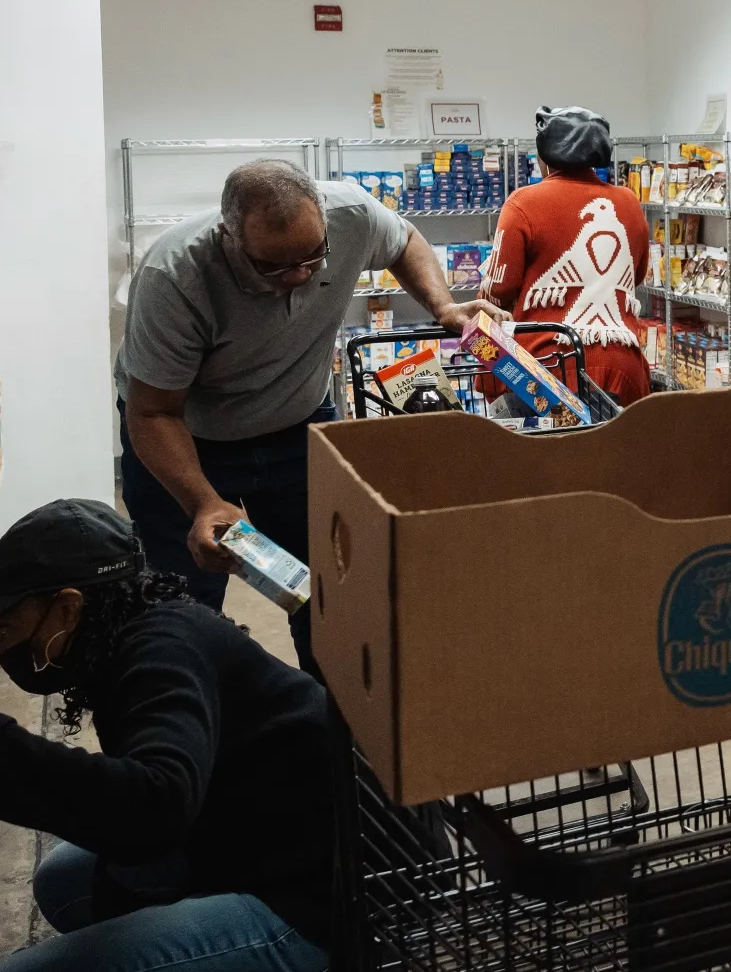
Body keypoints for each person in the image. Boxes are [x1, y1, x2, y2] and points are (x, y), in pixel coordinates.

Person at [0, 499, 331, 972]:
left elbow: (154, 809)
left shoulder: (163, 653)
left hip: (313, 897)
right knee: (64, 883)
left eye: (8, 625)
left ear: (69, 607)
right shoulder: (127, 634)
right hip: (248, 833)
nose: (3, 645)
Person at [116, 159, 493, 672]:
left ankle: (332, 725)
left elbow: (404, 240)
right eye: (273, 265)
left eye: (314, 258)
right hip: (192, 443)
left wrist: (443, 307)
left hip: (297, 427)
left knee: (325, 588)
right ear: (230, 237)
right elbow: (153, 413)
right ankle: (202, 733)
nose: (298, 276)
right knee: (181, 606)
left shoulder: (351, 213)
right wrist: (204, 502)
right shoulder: (175, 275)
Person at [481, 107, 653, 406]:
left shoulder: (524, 202)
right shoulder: (628, 201)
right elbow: (635, 277)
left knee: (547, 453)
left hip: (546, 368)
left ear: (543, 156)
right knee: (616, 453)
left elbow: (499, 289)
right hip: (622, 366)